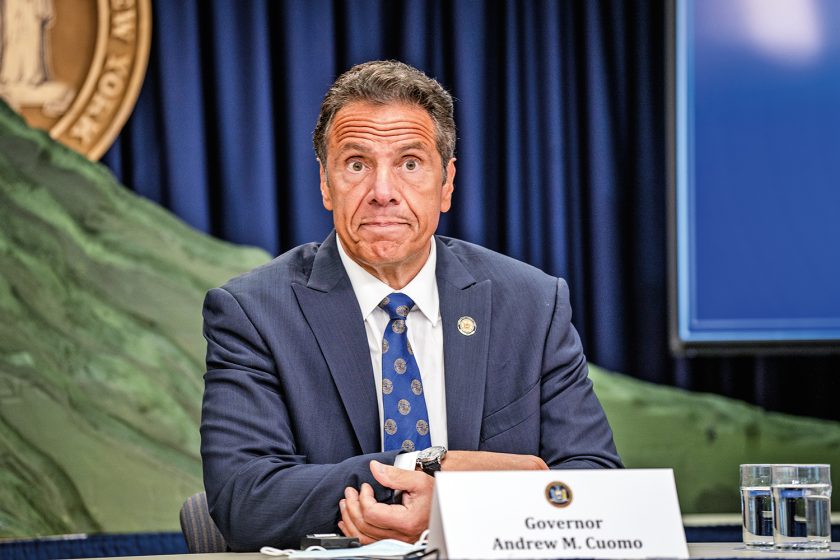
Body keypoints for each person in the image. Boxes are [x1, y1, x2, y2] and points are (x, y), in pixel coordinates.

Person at [200, 60, 621, 552]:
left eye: (410, 164)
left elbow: (595, 485)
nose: (383, 193)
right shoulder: (253, 313)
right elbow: (245, 500)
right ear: (325, 183)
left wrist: (452, 509)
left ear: (446, 185)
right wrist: (418, 470)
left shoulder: (531, 303)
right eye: (357, 164)